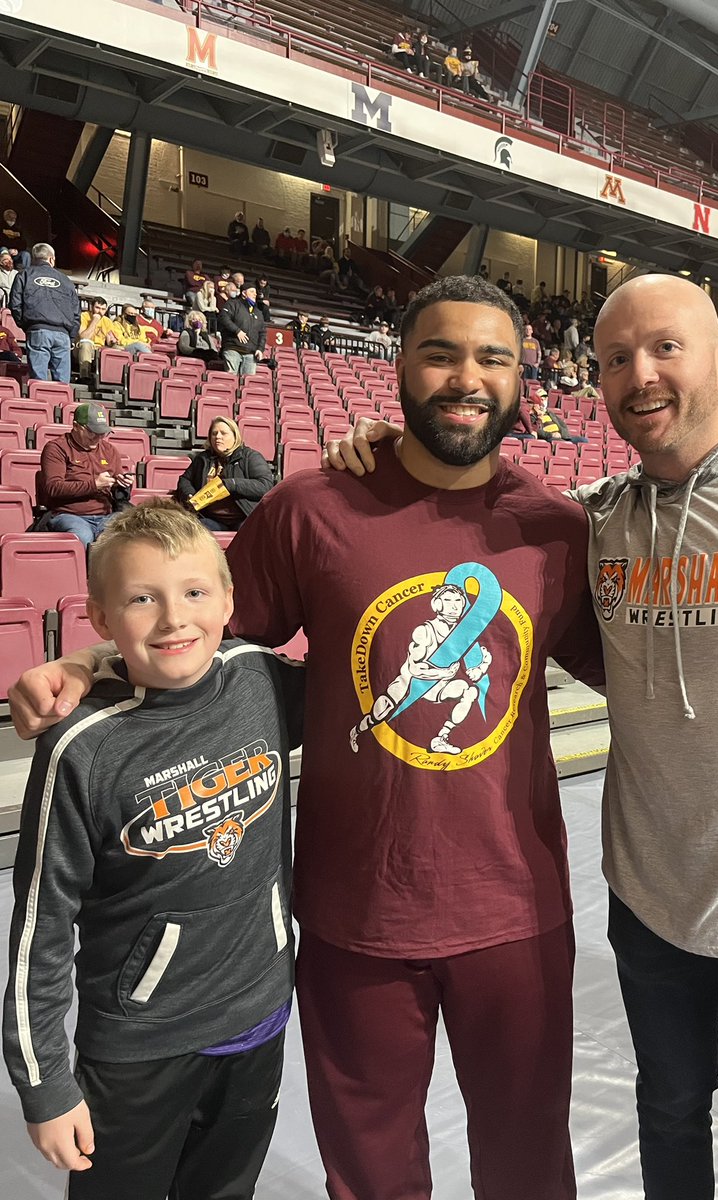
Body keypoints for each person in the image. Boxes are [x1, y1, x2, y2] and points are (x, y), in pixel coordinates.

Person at [7, 276, 607, 1200]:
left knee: (529, 1164)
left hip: (514, 913)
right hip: (351, 914)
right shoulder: (313, 506)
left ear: (522, 377)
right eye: (440, 352)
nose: (465, 377)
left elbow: (641, 666)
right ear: (399, 366)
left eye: (492, 357)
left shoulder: (557, 531)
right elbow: (188, 627)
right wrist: (90, 662)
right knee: (368, 1173)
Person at [327, 273, 718, 1199]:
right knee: (669, 1113)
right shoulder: (596, 517)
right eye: (616, 358)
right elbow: (474, 498)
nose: (640, 375)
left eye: (665, 347)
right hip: (651, 902)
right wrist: (391, 452)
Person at [3, 499, 304, 1199]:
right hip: (139, 1052)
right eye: (142, 599)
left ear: (229, 600)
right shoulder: (81, 747)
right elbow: (38, 934)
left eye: (195, 592)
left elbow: (371, 684)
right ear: (102, 619)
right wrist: (45, 1083)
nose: (174, 619)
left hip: (259, 1022)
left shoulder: (261, 678)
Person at [36, 403, 128, 546]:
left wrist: (122, 485)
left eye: (102, 433)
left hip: (106, 515)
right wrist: (94, 485)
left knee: (132, 534)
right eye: (92, 432)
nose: (97, 438)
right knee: (83, 537)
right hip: (69, 514)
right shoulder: (56, 448)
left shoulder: (110, 450)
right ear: (76, 426)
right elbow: (53, 488)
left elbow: (118, 494)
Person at [176, 416, 274, 531]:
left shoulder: (250, 457)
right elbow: (185, 479)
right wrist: (189, 494)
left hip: (243, 518)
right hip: (212, 518)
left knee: (247, 532)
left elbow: (265, 485)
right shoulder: (202, 459)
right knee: (194, 529)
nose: (218, 437)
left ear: (235, 436)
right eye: (214, 433)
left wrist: (231, 484)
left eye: (223, 433)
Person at [9, 242, 79, 384]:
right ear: (52, 259)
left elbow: (15, 305)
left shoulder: (24, 275)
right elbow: (76, 312)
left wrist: (26, 326)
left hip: (37, 331)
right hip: (63, 334)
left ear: (34, 258)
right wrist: (71, 335)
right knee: (62, 385)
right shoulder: (66, 280)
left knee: (38, 384)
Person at [218, 283, 266, 375]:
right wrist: (237, 331)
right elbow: (223, 318)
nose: (255, 294)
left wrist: (260, 349)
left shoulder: (258, 312)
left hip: (250, 353)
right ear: (244, 293)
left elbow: (262, 333)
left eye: (255, 292)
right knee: (231, 378)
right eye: (252, 291)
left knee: (248, 383)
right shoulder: (232, 304)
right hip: (233, 348)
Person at [76, 297, 118, 377]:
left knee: (119, 349)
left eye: (103, 309)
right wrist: (95, 320)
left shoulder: (107, 321)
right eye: (97, 308)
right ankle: (84, 376)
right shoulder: (83, 316)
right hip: (82, 348)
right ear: (92, 307)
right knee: (86, 343)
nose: (100, 311)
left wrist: (112, 341)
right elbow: (84, 337)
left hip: (99, 348)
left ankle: (111, 378)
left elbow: (109, 340)